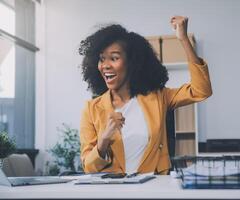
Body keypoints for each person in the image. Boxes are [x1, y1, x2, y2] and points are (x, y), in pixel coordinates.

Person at [78, 16, 212, 175]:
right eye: (101, 59)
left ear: (132, 62)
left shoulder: (158, 97)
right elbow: (88, 167)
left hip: (153, 187)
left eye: (114, 58)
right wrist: (103, 140)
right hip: (114, 191)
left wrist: (183, 39)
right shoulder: (91, 109)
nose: (105, 65)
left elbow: (201, 90)